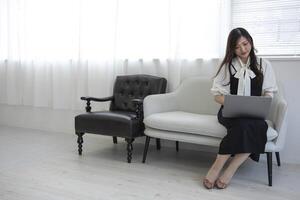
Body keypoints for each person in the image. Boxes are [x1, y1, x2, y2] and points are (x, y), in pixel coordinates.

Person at [203, 27, 278, 189]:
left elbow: (269, 92)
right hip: (230, 112)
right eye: (237, 47)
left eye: (245, 44)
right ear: (232, 49)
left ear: (250, 41)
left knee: (256, 125)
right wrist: (232, 103)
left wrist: (262, 103)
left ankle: (230, 168)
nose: (243, 49)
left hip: (254, 115)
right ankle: (218, 166)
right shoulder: (227, 66)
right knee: (246, 125)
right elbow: (217, 95)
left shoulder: (264, 65)